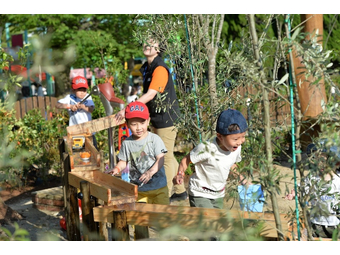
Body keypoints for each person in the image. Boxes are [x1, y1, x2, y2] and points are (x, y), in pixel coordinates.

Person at [115, 37, 187, 202]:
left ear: (159, 48)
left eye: (152, 43)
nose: (147, 45)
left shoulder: (160, 68)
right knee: (168, 155)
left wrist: (129, 109)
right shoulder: (147, 67)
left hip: (166, 118)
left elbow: (151, 94)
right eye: (145, 42)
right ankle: (180, 190)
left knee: (163, 156)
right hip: (157, 117)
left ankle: (167, 193)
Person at [173, 109, 249, 209]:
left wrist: (240, 177)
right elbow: (186, 160)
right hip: (200, 193)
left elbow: (230, 164)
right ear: (220, 136)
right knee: (207, 222)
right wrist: (180, 174)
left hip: (218, 195)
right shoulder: (206, 148)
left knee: (216, 223)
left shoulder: (236, 148)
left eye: (242, 137)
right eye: (235, 139)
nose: (240, 142)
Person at [106, 101, 169, 205]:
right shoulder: (127, 143)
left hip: (158, 188)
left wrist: (151, 172)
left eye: (142, 123)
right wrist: (116, 169)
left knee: (161, 217)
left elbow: (161, 159)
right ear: (127, 124)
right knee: (140, 218)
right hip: (139, 190)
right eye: (134, 124)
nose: (139, 128)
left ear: (148, 121)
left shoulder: (154, 139)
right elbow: (123, 161)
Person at [285, 152, 340, 239]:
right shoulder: (312, 178)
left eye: (324, 162)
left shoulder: (338, 181)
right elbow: (303, 190)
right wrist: (295, 193)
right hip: (315, 223)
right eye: (318, 161)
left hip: (335, 224)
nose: (321, 164)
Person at [56, 76, 97, 148]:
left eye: (84, 90)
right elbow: (57, 105)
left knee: (93, 153)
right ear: (73, 90)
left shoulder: (88, 97)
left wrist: (83, 106)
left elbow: (91, 109)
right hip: (75, 133)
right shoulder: (69, 98)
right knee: (77, 154)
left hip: (88, 131)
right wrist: (70, 106)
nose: (82, 92)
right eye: (79, 90)